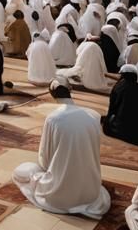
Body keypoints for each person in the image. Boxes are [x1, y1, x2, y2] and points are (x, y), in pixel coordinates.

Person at [12, 79, 111, 218]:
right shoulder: (92, 116)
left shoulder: (54, 118)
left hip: (59, 192)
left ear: (52, 95)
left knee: (22, 170)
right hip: (90, 190)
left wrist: (47, 170)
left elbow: (45, 157)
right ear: (70, 90)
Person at [102, 65, 138, 149]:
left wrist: (106, 124)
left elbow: (112, 110)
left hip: (123, 130)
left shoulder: (118, 87)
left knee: (109, 125)